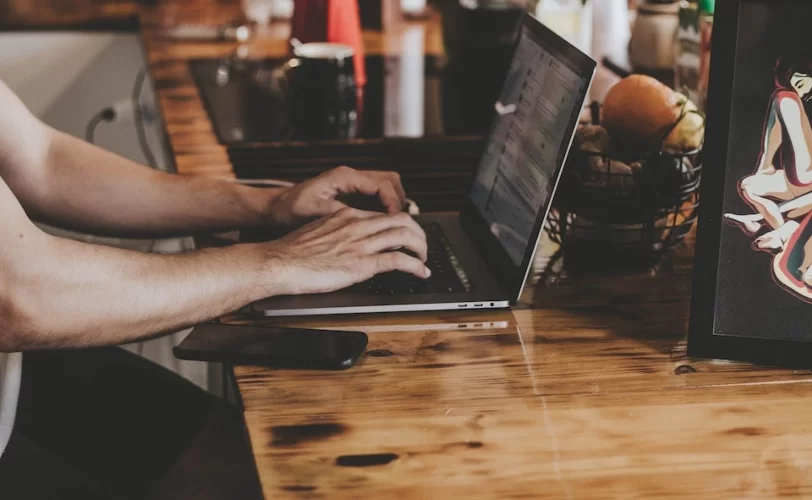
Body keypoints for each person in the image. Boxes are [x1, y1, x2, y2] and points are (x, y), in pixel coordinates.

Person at [0, 74, 429, 500]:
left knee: (247, 463)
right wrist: (280, 261)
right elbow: (20, 297)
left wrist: (267, 205)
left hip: (22, 372)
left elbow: (40, 159)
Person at [725, 52, 812, 253]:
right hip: (799, 183)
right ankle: (782, 230)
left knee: (784, 97)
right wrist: (765, 166)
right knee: (749, 186)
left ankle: (776, 228)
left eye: (800, 75)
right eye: (792, 75)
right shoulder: (792, 97)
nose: (794, 80)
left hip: (805, 178)